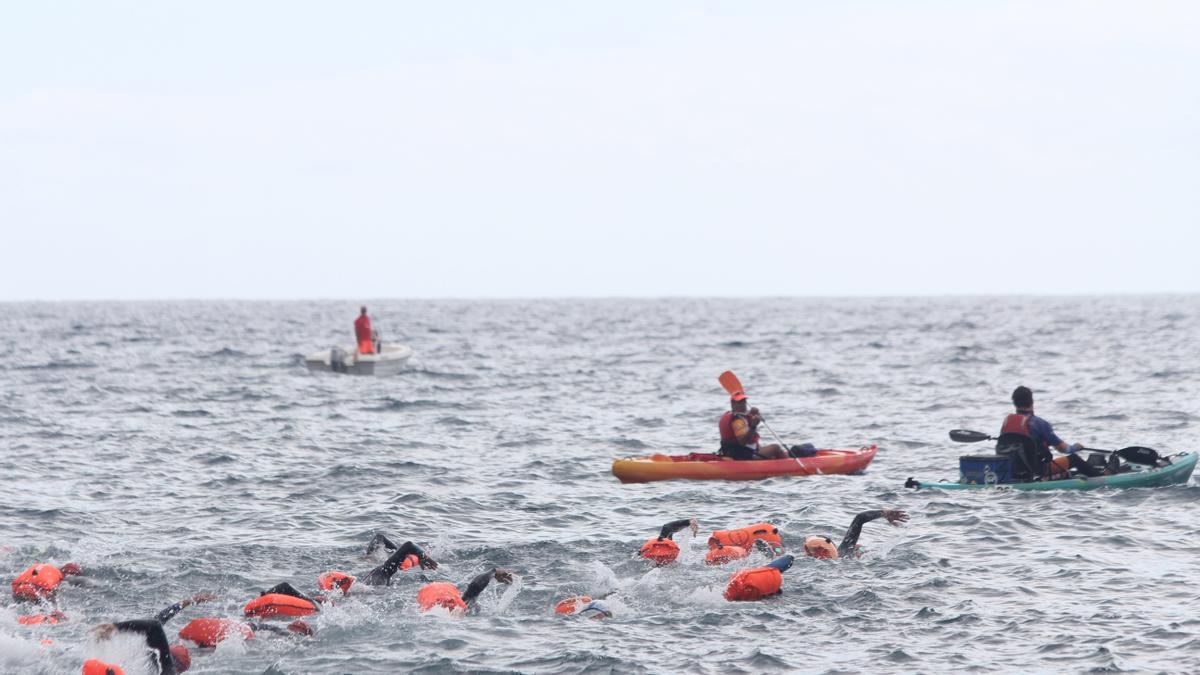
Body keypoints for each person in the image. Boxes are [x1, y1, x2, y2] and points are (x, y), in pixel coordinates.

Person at [999, 386, 1107, 480]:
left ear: (1014, 402)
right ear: (1032, 401)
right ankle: (1101, 478)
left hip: (1012, 470)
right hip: (1038, 470)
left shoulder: (1007, 422)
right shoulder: (1039, 423)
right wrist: (1076, 447)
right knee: (1074, 459)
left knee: (1064, 469)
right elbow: (1064, 449)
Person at [317, 533, 439, 594]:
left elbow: (408, 545)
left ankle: (408, 555)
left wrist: (424, 557)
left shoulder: (377, 577)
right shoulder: (364, 586)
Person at [801, 509, 909, 559]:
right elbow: (859, 519)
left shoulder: (844, 552)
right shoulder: (845, 552)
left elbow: (859, 518)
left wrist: (884, 513)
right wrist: (885, 513)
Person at [718, 391, 788, 460]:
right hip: (743, 454)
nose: (743, 404)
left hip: (739, 451)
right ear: (733, 404)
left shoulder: (737, 415)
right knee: (776, 448)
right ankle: (790, 464)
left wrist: (755, 414)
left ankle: (786, 459)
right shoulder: (737, 421)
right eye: (740, 402)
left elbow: (762, 420)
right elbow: (743, 442)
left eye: (744, 401)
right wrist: (753, 426)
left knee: (771, 452)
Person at [416, 567, 514, 615]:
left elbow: (475, 587)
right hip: (439, 592)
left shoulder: (457, 607)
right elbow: (474, 587)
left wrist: (493, 572)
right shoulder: (459, 607)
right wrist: (493, 572)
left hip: (436, 592)